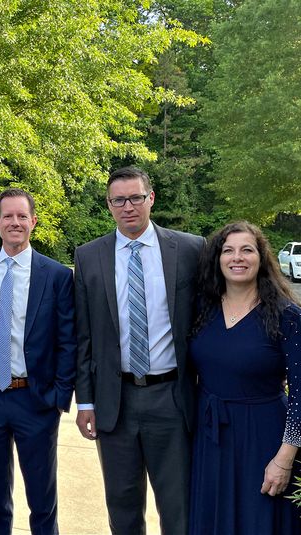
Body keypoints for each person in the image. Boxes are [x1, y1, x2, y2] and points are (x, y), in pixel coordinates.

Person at [74, 166, 205, 534]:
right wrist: (85, 402)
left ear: (151, 198)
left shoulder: (191, 249)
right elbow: (84, 336)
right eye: (119, 200)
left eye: (135, 197)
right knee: (123, 507)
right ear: (109, 205)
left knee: (178, 507)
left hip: (172, 399)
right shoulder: (89, 257)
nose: (128, 206)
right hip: (115, 403)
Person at [0, 188, 77, 535]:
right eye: (8, 216)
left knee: (42, 500)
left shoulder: (57, 275)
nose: (15, 222)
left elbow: (68, 340)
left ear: (33, 221)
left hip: (35, 399)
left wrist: (59, 397)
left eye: (21, 216)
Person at [188, 221, 301, 535]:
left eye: (247, 250)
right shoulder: (202, 308)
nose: (237, 257)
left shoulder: (287, 315)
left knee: (258, 521)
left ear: (261, 258)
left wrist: (285, 458)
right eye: (228, 250)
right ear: (218, 259)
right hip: (211, 436)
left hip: (263, 437)